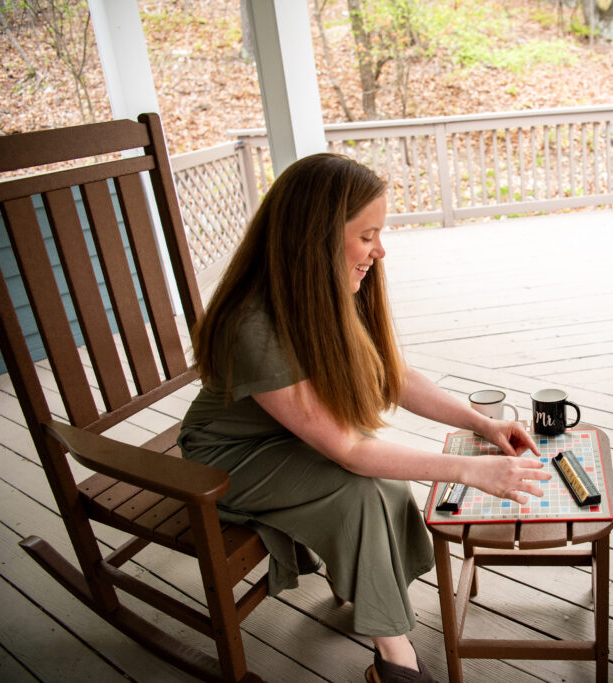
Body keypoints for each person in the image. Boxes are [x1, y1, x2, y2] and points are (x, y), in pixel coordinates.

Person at [178, 153, 551, 683]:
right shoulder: (253, 327)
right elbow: (350, 452)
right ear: (316, 237)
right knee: (362, 492)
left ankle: (374, 602)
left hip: (289, 436)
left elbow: (391, 373)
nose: (381, 250)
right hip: (226, 457)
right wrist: (469, 470)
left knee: (390, 491)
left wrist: (480, 423)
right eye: (367, 235)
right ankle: (395, 660)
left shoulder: (327, 290)